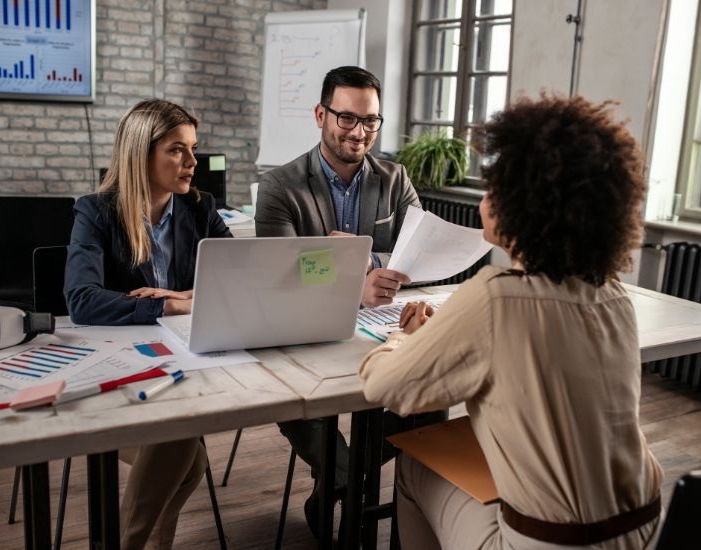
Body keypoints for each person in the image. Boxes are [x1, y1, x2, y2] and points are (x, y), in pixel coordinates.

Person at [359, 95, 664, 549]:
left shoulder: (495, 295)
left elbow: (383, 389)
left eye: (492, 187)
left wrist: (403, 339)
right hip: (646, 529)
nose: (485, 198)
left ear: (521, 203)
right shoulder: (614, 294)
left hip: (551, 544)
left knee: (414, 464)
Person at [255, 65, 439, 536]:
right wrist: (349, 279)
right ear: (321, 114)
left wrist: (359, 258)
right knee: (292, 396)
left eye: (371, 121)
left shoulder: (395, 180)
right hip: (303, 328)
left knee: (428, 396)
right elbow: (280, 269)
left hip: (379, 329)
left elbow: (419, 252)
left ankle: (339, 486)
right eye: (347, 119)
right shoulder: (280, 186)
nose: (360, 132)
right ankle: (347, 483)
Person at [65, 98, 232, 549]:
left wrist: (178, 297)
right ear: (142, 154)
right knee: (182, 443)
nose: (192, 162)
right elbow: (83, 301)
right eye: (177, 149)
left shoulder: (200, 208)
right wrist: (175, 306)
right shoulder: (96, 212)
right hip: (116, 370)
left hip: (182, 364)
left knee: (185, 453)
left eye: (193, 148)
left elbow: (239, 277)